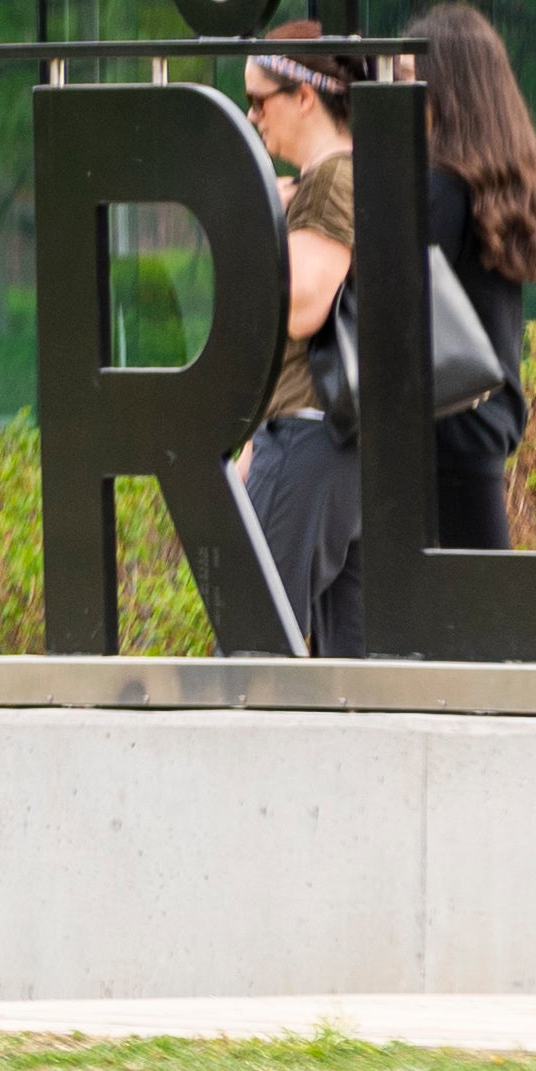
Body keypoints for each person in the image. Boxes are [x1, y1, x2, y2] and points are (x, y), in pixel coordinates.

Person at [401, 0, 536, 559]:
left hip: (441, 430)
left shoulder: (440, 191)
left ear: (445, 89)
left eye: (411, 82)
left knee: (466, 627)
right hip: (480, 424)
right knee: (483, 616)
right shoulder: (490, 189)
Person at [218, 43, 363, 657]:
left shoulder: (332, 178)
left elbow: (303, 309)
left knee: (249, 653)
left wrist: (268, 224)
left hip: (309, 434)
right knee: (351, 669)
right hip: (334, 438)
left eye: (258, 101)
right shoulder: (339, 176)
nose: (252, 118)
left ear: (305, 96)